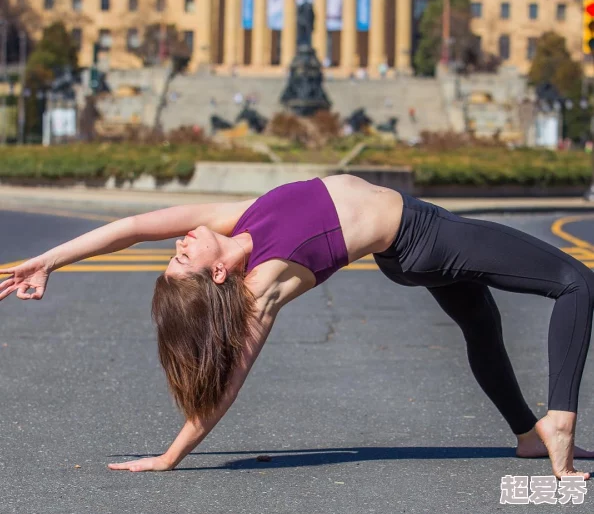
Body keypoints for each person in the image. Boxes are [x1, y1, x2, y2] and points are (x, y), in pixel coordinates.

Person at [1, 175, 593, 478]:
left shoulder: (235, 221)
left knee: (482, 327)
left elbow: (131, 225)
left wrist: (49, 259)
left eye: (174, 249)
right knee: (575, 281)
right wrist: (170, 455)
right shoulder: (264, 284)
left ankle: (524, 435)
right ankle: (559, 420)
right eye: (181, 257)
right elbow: (226, 381)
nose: (178, 242)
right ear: (214, 275)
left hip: (415, 241)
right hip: (423, 238)